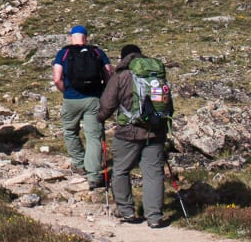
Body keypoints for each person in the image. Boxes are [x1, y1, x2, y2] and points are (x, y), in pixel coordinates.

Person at [98, 44, 171, 229]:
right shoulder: (155, 75)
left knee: (121, 170)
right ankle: (154, 217)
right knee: (153, 173)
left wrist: (99, 118)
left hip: (128, 133)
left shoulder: (120, 76)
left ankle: (126, 210)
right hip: (155, 131)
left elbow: (107, 104)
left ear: (123, 58)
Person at [52, 24, 112, 188]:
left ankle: (79, 163)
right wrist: (103, 93)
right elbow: (108, 73)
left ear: (71, 37)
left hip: (71, 99)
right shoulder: (97, 52)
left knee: (70, 131)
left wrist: (66, 91)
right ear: (86, 37)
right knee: (93, 136)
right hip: (94, 99)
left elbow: (57, 78)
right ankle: (94, 175)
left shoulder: (63, 53)